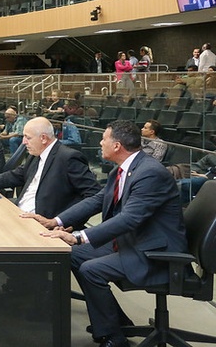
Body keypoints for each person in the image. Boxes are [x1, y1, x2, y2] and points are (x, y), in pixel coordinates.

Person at [33, 120, 187, 347]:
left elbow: (130, 218)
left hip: (156, 251)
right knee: (74, 255)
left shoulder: (150, 173)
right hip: (134, 241)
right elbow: (97, 200)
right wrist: (56, 220)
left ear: (116, 146)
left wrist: (78, 237)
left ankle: (114, 337)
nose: (100, 143)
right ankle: (116, 323)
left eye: (104, 139)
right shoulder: (124, 168)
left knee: (90, 269)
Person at [0, 117, 100, 218]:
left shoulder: (69, 158)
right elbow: (16, 175)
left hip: (42, 222)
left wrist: (63, 221)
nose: (23, 142)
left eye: (27, 137)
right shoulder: (36, 154)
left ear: (43, 138)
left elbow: (93, 195)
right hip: (19, 212)